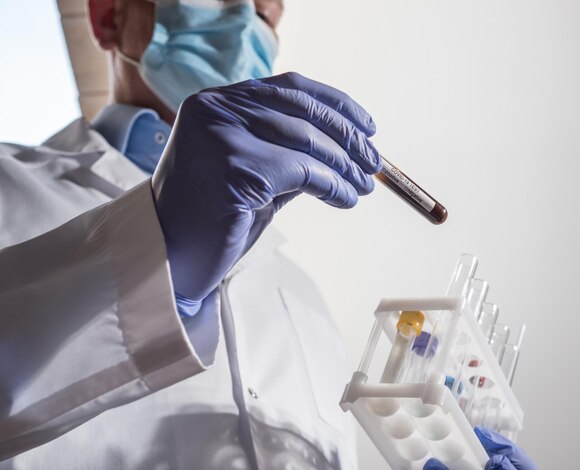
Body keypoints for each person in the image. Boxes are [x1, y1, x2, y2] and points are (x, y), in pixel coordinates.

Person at [0, 0, 536, 468]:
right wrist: (159, 258)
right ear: (109, 14)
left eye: (263, 12)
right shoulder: (10, 187)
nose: (249, 21)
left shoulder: (302, 300)